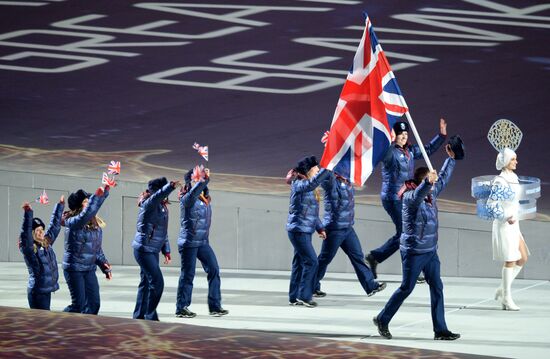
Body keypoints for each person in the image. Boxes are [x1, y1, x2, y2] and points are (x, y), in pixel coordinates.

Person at [373, 145, 460, 340]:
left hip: (430, 251)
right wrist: (427, 183)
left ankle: (440, 330)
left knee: (437, 286)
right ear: (421, 182)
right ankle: (382, 319)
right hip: (414, 251)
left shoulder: (431, 192)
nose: (433, 186)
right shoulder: (410, 197)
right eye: (429, 181)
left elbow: (443, 177)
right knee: (406, 288)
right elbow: (421, 192)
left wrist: (451, 159)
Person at [366, 119, 447, 282]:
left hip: (406, 197)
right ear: (394, 135)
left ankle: (376, 257)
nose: (403, 137)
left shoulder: (409, 151)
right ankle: (409, 269)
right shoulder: (389, 152)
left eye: (405, 134)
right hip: (393, 198)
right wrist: (388, 139)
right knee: (406, 233)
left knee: (407, 233)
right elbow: (382, 150)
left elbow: (427, 150)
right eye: (400, 134)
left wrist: (441, 135)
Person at [313, 171, 386, 298]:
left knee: (358, 256)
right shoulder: (331, 182)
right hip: (334, 228)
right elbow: (325, 177)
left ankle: (371, 286)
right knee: (325, 259)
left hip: (347, 227)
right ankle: (310, 286)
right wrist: (329, 164)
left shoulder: (347, 182)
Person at [176, 167, 228, 318]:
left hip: (202, 242)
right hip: (189, 242)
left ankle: (215, 306)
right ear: (190, 182)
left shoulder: (205, 200)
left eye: (200, 179)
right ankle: (181, 307)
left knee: (214, 269)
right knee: (188, 275)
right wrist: (203, 181)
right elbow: (193, 194)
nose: (198, 181)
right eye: (195, 179)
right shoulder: (186, 198)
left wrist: (204, 183)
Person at [486, 148, 529, 311]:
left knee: (523, 257)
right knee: (510, 259)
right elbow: (491, 204)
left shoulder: (514, 177)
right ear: (505, 161)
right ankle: (507, 297)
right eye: (513, 159)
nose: (516, 162)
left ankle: (502, 289)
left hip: (514, 223)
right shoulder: (500, 180)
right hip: (504, 224)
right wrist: (505, 216)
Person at [132, 177, 179, 321]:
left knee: (146, 283)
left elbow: (161, 230)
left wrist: (166, 250)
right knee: (157, 282)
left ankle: (139, 315)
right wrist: (170, 186)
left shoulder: (162, 206)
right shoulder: (150, 203)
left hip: (153, 249)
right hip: (144, 249)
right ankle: (150, 315)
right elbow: (157, 196)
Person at [286, 156, 329, 308]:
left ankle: (294, 297)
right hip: (299, 230)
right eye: (316, 168)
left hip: (305, 229)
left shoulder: (308, 187)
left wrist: (320, 228)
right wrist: (327, 169)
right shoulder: (299, 184)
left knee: (299, 262)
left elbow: (313, 213)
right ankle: (305, 296)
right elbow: (312, 183)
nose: (317, 170)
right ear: (309, 170)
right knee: (312, 261)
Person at [62, 186, 112, 314]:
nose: (89, 204)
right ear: (78, 206)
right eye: (85, 202)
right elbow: (84, 216)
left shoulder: (94, 226)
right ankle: (59, 320)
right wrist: (101, 195)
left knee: (94, 304)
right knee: (78, 305)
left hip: (89, 269)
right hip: (75, 269)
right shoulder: (73, 222)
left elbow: (96, 249)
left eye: (89, 201)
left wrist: (104, 265)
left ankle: (85, 329)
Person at [19, 196, 64, 310]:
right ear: (32, 233)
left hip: (45, 290)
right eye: (37, 231)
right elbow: (25, 234)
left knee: (43, 323)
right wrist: (28, 213)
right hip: (37, 292)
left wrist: (60, 206)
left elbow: (54, 227)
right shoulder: (29, 249)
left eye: (42, 230)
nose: (41, 233)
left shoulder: (45, 244)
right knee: (39, 324)